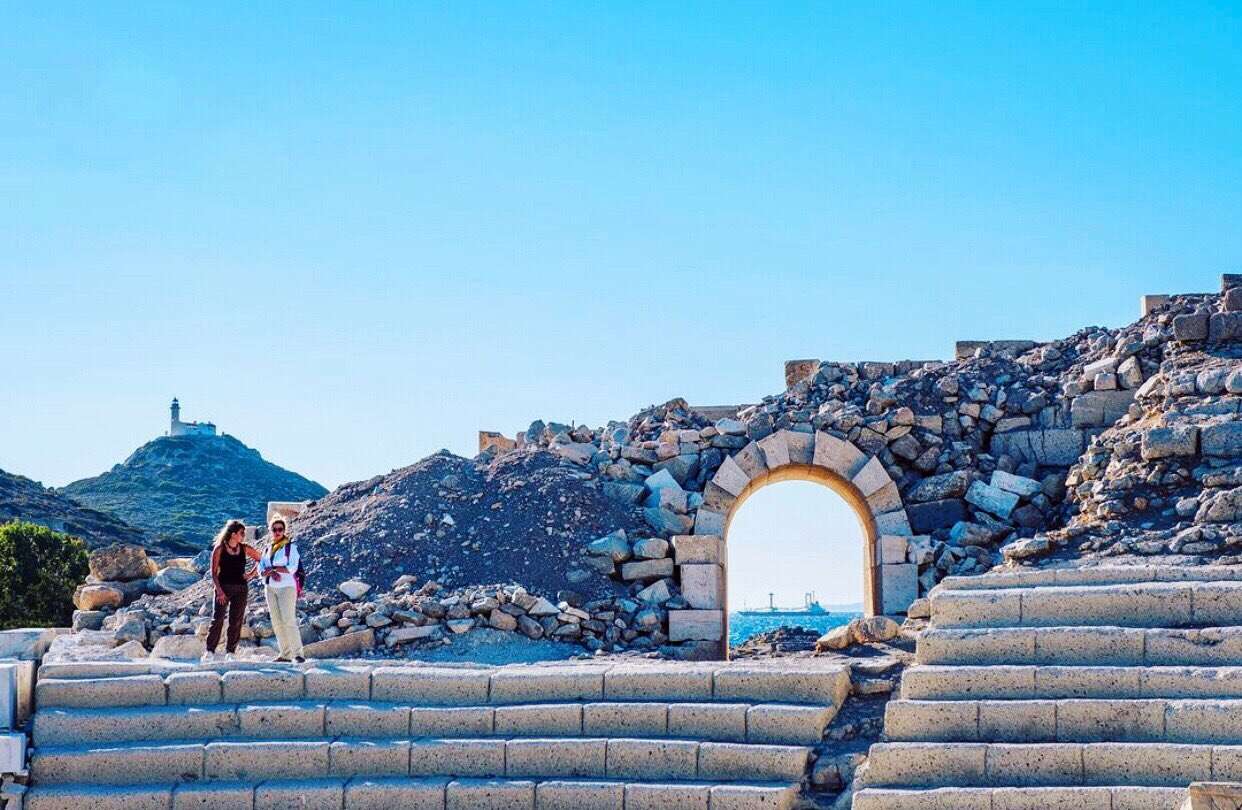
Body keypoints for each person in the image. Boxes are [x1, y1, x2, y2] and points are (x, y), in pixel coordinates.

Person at [204, 520, 261, 660]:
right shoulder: (219, 549)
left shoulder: (244, 548)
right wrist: (219, 591)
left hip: (241, 589)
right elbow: (213, 573)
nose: (244, 535)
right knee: (217, 619)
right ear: (233, 534)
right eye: (242, 533)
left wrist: (251, 574)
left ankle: (230, 652)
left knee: (236, 620)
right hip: (223, 588)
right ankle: (209, 651)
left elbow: (261, 559)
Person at [259, 516, 305, 662]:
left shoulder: (291, 548)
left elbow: (292, 567)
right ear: (270, 531)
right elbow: (261, 568)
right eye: (274, 529)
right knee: (277, 622)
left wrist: (273, 569)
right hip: (270, 588)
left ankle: (298, 654)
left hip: (287, 587)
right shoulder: (267, 549)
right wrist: (268, 572)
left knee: (288, 620)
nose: (277, 532)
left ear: (284, 530)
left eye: (280, 529)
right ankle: (285, 654)